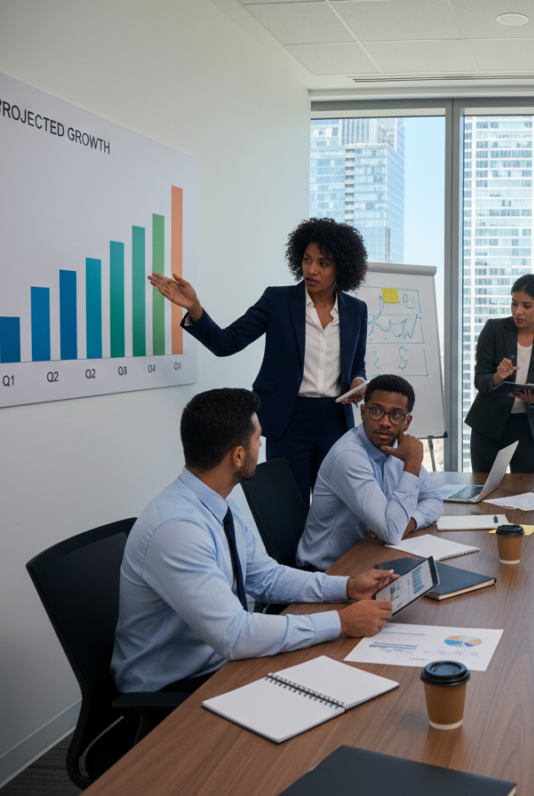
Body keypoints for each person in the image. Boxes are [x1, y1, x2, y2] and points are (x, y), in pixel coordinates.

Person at [112, 388, 397, 694]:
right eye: (257, 438)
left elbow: (266, 577)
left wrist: (347, 587)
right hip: (176, 689)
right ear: (237, 455)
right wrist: (341, 623)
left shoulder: (216, 504)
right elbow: (235, 635)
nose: (261, 444)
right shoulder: (177, 530)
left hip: (223, 660)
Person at [149, 218, 369, 501]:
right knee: (288, 510)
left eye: (323, 263)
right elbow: (226, 343)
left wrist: (358, 381)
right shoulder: (277, 301)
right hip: (288, 421)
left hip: (334, 421)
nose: (311, 270)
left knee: (338, 508)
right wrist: (195, 308)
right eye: (307, 259)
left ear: (342, 267)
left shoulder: (356, 310)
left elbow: (357, 364)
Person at [297, 374, 444, 570]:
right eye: (377, 411)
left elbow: (434, 500)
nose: (385, 422)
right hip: (328, 570)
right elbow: (391, 532)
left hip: (369, 557)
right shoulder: (349, 456)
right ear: (363, 412)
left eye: (396, 415)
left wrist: (408, 523)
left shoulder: (399, 447)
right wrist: (412, 465)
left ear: (407, 423)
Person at [464, 274, 534, 473]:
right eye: (514, 304)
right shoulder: (493, 329)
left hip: (526, 428)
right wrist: (498, 376)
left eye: (526, 306)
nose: (518, 311)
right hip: (488, 425)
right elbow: (480, 380)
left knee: (525, 492)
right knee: (484, 490)